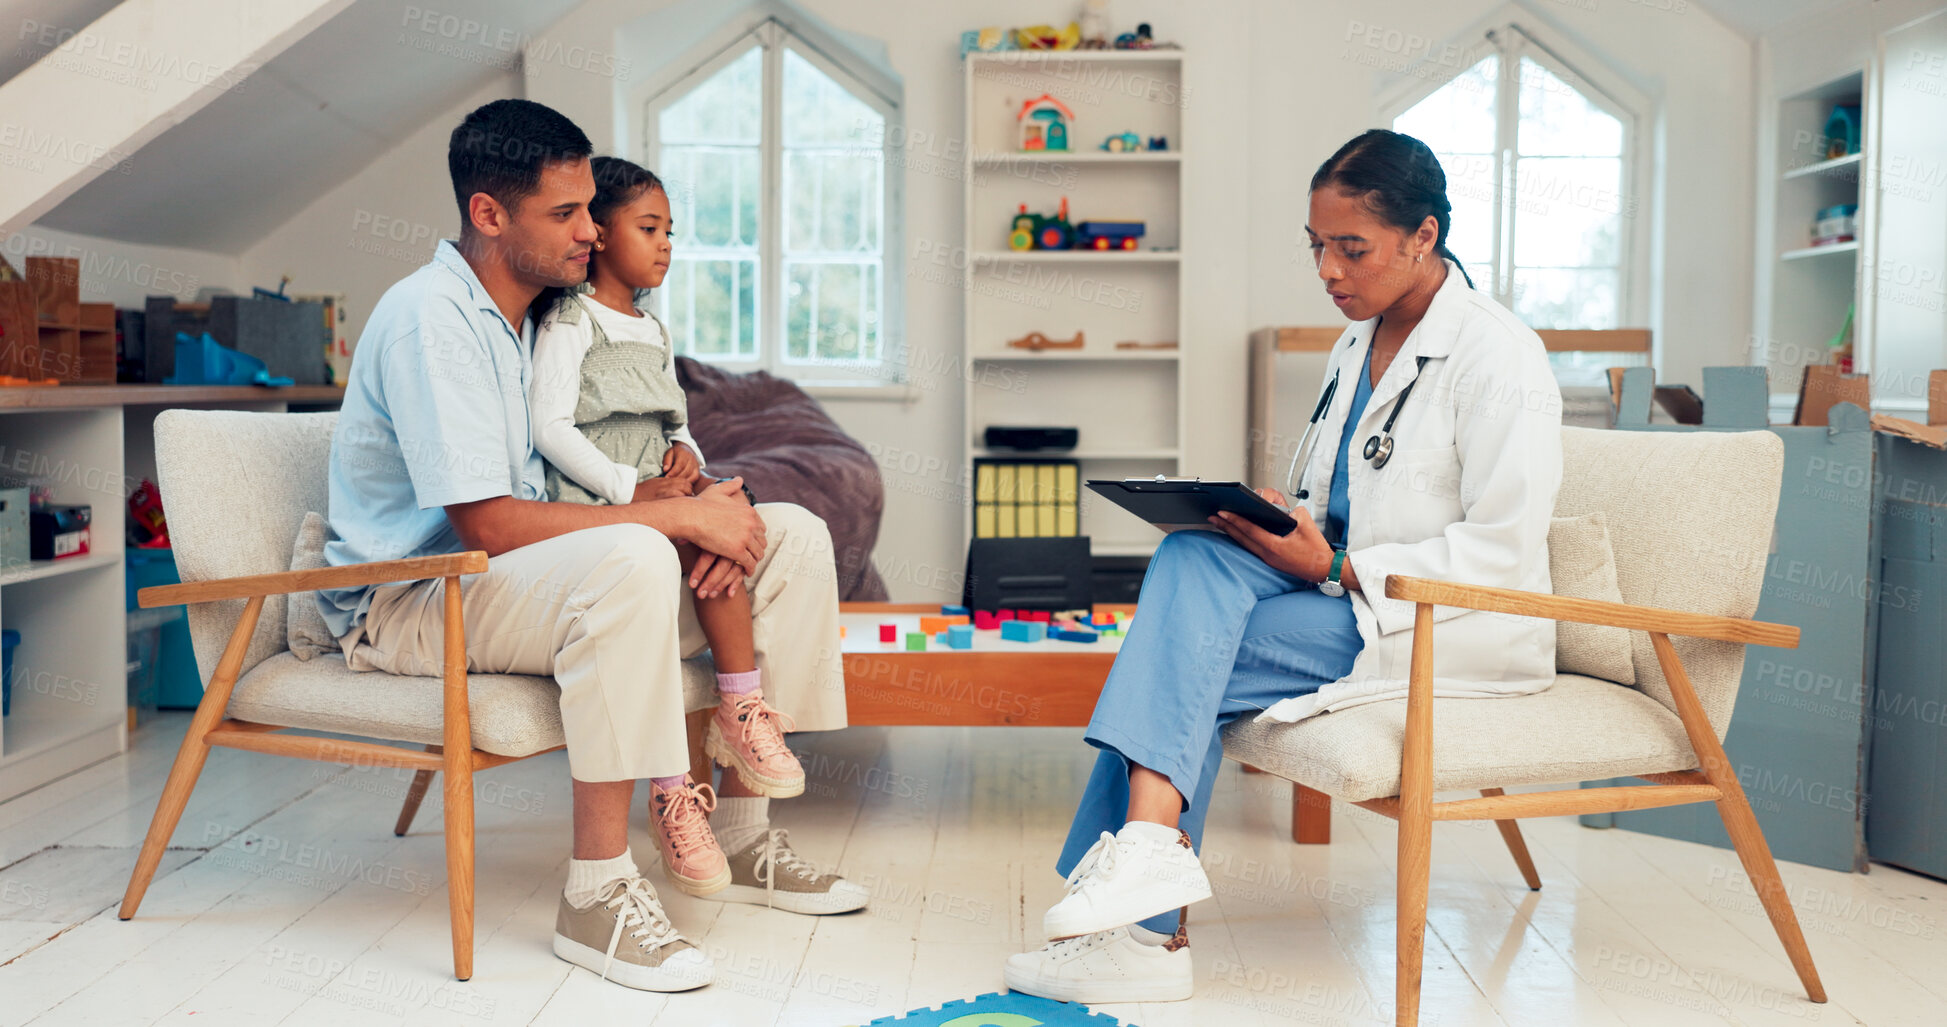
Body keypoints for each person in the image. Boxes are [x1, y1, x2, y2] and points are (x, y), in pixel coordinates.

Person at [1002, 128, 1564, 1004]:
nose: (1329, 271)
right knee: (1193, 549)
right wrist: (1281, 520)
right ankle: (1147, 869)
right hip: (1336, 584)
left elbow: (1503, 547)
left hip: (1433, 620)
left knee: (1185, 652)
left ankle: (1144, 926)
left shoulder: (1500, 355)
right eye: (1316, 247)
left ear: (1423, 235)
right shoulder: (1358, 340)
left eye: (1353, 248)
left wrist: (1336, 562)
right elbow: (1335, 494)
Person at [319, 99, 858, 995]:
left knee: (790, 534)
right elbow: (488, 525)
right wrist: (670, 525)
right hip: (412, 597)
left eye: (589, 210)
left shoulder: (542, 314)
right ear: (489, 214)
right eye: (564, 214)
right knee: (636, 556)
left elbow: (573, 471)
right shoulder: (432, 320)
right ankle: (597, 892)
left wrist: (680, 498)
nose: (590, 231)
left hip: (516, 577)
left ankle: (742, 832)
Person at [528, 154, 868, 915]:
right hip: (599, 507)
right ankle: (673, 788)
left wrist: (694, 469)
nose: (667, 245)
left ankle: (742, 715)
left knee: (752, 532)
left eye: (670, 231)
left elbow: (677, 426)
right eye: (649, 228)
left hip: (662, 492)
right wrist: (631, 489)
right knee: (663, 549)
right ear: (598, 233)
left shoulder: (652, 329)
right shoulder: (570, 322)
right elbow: (547, 426)